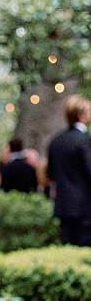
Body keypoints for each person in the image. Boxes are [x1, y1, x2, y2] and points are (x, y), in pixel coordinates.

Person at [47, 94, 91, 246]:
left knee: (69, 249)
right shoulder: (85, 140)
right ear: (81, 114)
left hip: (64, 205)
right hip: (85, 206)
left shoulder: (56, 141)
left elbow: (50, 173)